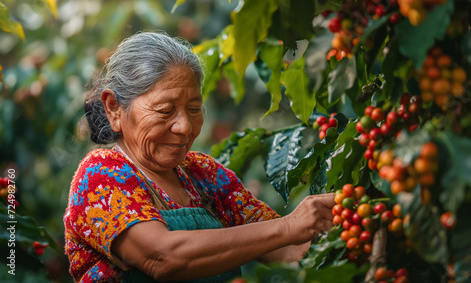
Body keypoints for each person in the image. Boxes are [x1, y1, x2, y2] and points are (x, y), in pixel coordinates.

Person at [63, 32, 335, 282]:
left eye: (194, 109)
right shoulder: (99, 175)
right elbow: (163, 258)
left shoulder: (203, 173)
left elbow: (290, 250)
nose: (184, 127)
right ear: (114, 108)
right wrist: (289, 226)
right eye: (165, 110)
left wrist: (351, 220)